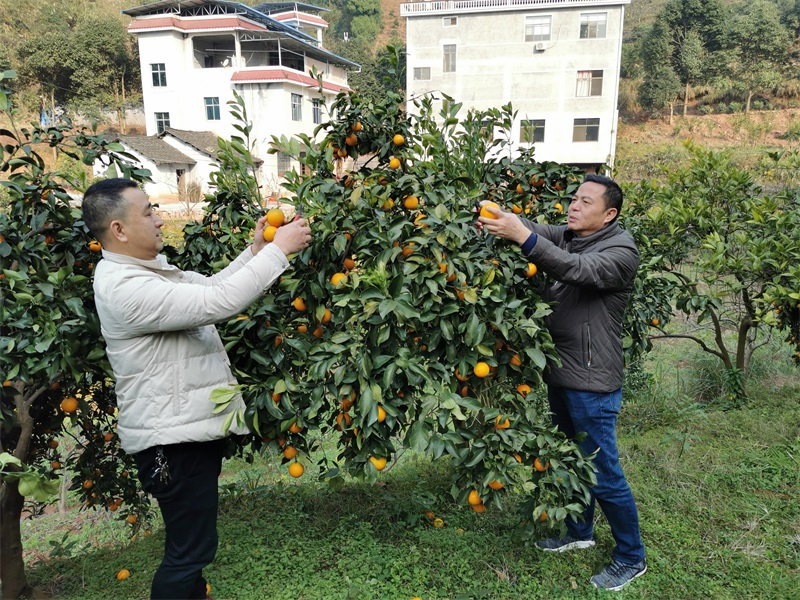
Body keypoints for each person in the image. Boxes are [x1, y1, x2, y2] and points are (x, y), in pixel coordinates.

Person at [81, 178, 311, 599]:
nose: (159, 218)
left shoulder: (144, 270)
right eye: (148, 211)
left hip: (181, 432)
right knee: (189, 552)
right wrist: (280, 250)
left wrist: (256, 250)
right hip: (170, 441)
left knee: (193, 548)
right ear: (119, 229)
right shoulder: (126, 287)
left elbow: (208, 288)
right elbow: (218, 304)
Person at [477, 174, 646, 591]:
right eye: (573, 199)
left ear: (609, 214)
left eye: (585, 202)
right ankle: (579, 531)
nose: (573, 207)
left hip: (592, 380)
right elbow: (534, 231)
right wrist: (501, 217)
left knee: (603, 472)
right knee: (572, 460)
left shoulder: (620, 251)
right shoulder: (573, 234)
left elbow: (574, 269)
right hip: (562, 372)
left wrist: (522, 236)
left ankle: (631, 556)